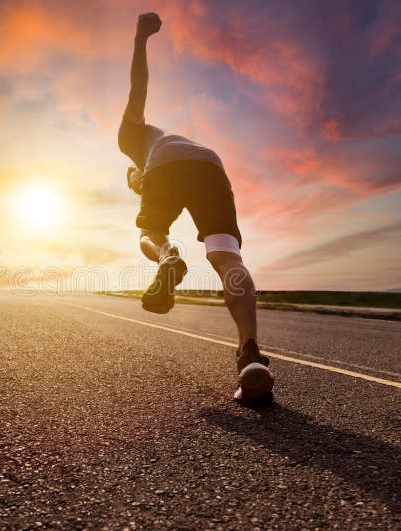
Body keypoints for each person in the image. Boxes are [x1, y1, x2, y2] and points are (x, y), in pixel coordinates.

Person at [117, 12, 274, 402]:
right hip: (210, 165)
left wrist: (140, 39)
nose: (137, 188)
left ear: (137, 173)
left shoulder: (131, 142)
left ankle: (169, 258)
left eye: (135, 183)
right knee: (227, 259)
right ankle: (250, 353)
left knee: (150, 233)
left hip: (168, 165)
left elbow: (138, 88)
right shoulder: (175, 141)